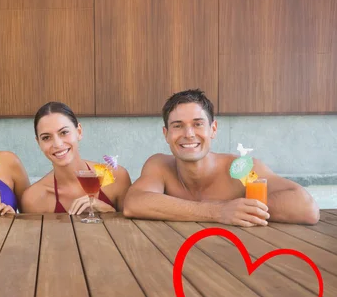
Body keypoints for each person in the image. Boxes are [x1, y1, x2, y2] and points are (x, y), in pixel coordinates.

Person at [123, 89, 319, 226]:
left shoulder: (240, 169)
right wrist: (218, 211)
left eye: (198, 124)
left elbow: (307, 208)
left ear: (213, 129)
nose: (189, 134)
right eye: (178, 125)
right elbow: (134, 204)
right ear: (166, 133)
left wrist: (241, 208)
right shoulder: (160, 165)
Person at [21, 102, 130, 214]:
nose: (57, 144)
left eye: (64, 132)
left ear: (79, 132)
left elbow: (132, 229)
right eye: (46, 137)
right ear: (38, 142)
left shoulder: (116, 177)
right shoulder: (33, 199)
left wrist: (110, 212)